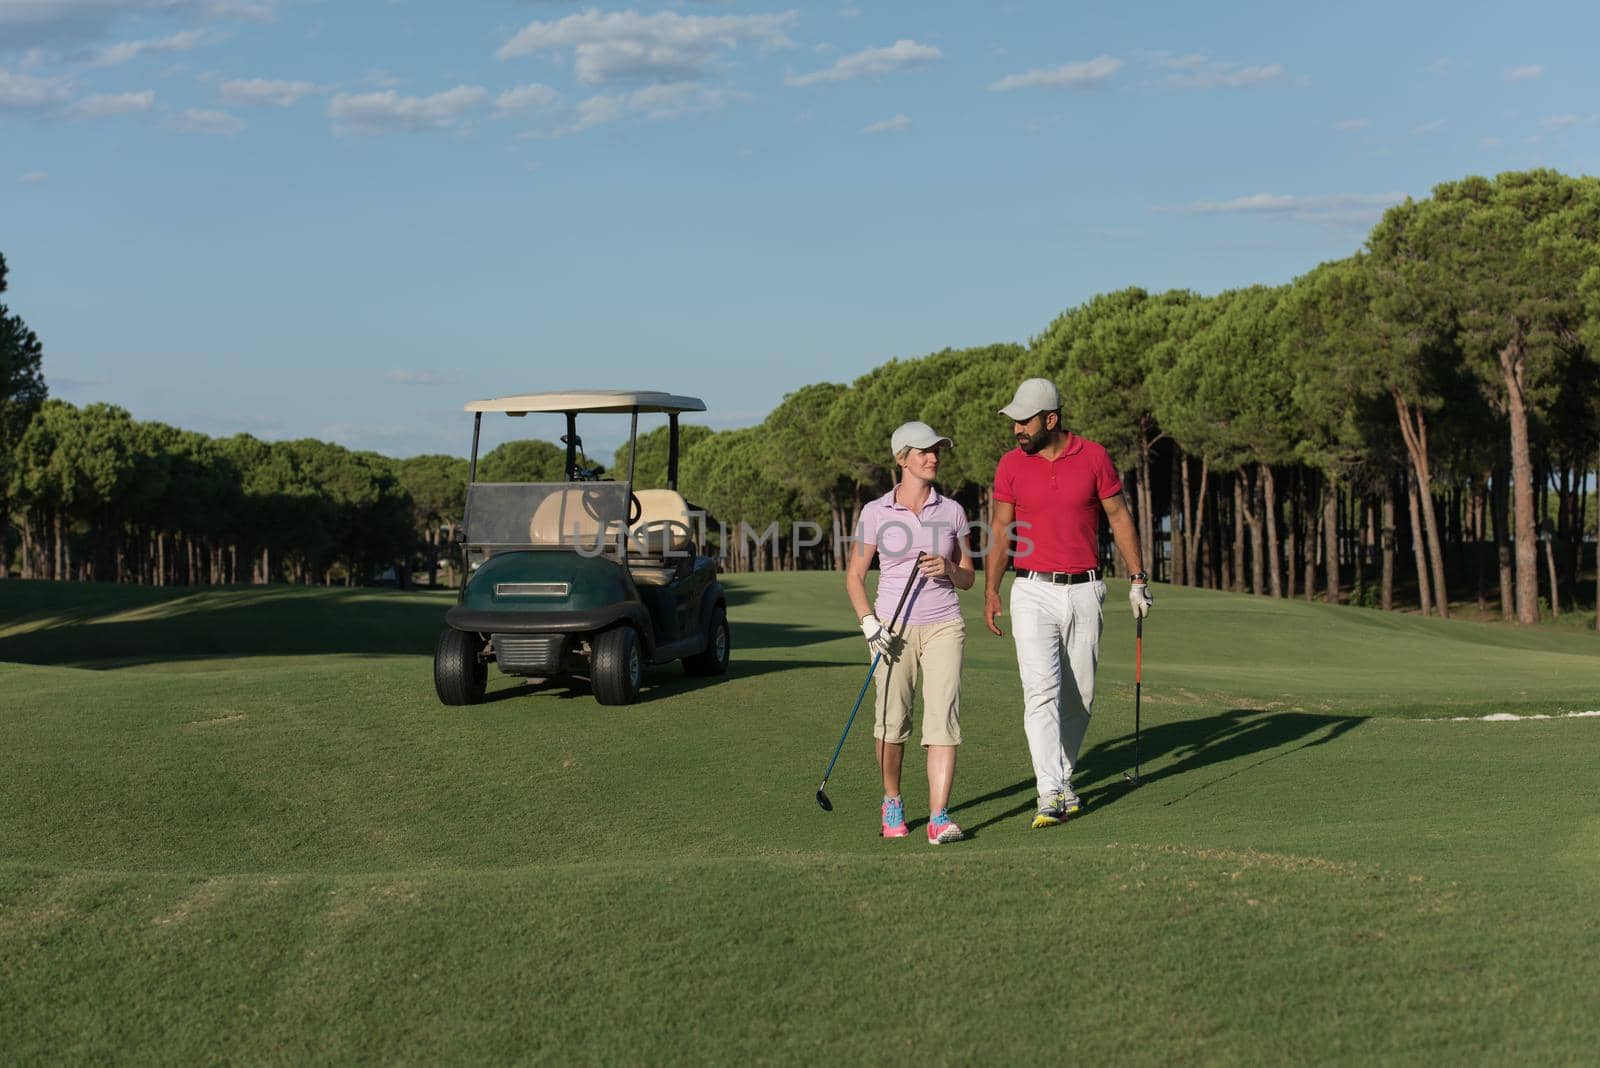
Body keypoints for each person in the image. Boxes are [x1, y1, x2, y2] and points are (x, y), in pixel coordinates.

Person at [982, 378, 1152, 828]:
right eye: (1014, 421)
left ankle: (1064, 780)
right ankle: (1049, 792)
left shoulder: (1093, 457)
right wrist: (991, 589)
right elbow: (1002, 530)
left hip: (1086, 590)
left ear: (1051, 419)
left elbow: (1118, 517)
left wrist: (1137, 580)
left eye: (1025, 420)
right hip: (1032, 589)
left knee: (1079, 698)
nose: (1017, 428)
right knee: (1041, 693)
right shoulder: (1010, 465)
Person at [846, 420, 977, 844]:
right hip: (891, 629)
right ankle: (892, 801)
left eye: (937, 450)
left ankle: (939, 816)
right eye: (924, 451)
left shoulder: (952, 511)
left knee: (943, 721)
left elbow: (969, 577)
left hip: (944, 625)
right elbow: (854, 576)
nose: (933, 457)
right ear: (902, 458)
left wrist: (950, 569)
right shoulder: (875, 512)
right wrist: (869, 623)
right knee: (891, 723)